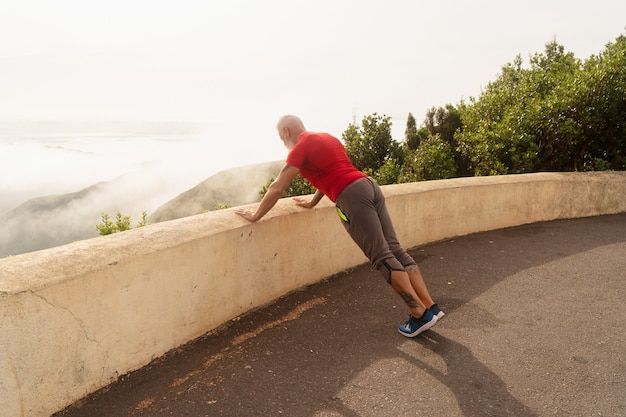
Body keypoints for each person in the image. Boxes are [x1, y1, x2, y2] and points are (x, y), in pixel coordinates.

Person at [234, 115, 444, 337]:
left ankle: (419, 314)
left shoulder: (299, 148)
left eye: (280, 136)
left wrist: (256, 215)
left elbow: (277, 187)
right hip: (368, 185)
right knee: (395, 249)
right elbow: (330, 174)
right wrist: (312, 202)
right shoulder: (327, 138)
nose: (282, 141)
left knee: (382, 257)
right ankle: (431, 307)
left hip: (351, 196)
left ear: (285, 131)